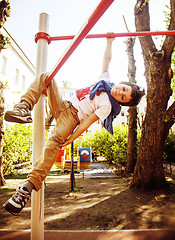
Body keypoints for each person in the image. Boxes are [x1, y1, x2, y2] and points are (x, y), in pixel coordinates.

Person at [3, 37, 145, 215]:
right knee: (46, 76)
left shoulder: (107, 106)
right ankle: (23, 107)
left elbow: (87, 122)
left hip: (72, 118)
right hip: (63, 105)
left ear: (121, 103)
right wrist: (109, 42)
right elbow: (106, 60)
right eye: (123, 89)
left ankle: (25, 190)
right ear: (122, 82)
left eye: (123, 97)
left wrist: (72, 138)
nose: (120, 93)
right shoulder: (106, 82)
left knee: (54, 143)